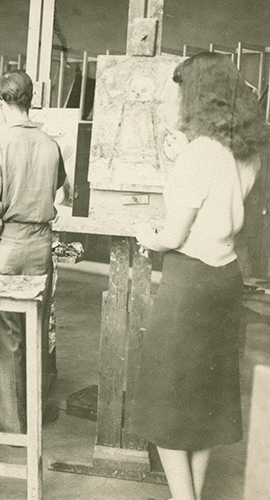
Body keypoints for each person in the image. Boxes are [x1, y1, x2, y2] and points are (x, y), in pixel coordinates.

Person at [131, 52, 269, 500]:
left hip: (189, 283)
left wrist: (145, 232)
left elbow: (172, 234)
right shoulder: (245, 153)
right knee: (207, 401)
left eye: (181, 91)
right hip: (226, 280)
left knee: (165, 401)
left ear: (197, 96)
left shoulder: (199, 154)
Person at [0, 70, 65, 433]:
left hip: (6, 248)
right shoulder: (50, 144)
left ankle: (10, 423)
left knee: (4, 336)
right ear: (31, 99)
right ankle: (33, 411)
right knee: (35, 331)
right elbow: (57, 186)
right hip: (41, 247)